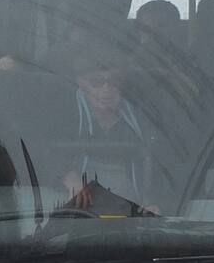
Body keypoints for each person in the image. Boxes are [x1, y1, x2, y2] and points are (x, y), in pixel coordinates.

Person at [61, 51, 155, 211]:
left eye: (114, 82)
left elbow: (163, 168)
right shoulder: (64, 113)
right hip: (80, 213)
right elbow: (40, 152)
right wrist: (69, 177)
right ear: (81, 83)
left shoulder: (142, 120)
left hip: (133, 214)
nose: (107, 89)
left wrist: (156, 204)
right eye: (96, 82)